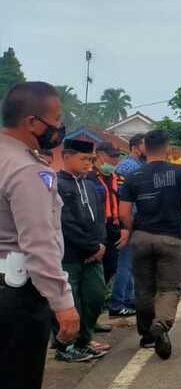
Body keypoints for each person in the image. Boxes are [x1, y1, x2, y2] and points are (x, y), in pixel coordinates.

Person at [1, 82, 78, 389]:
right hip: (17, 296)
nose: (60, 128)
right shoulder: (24, 171)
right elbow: (40, 244)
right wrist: (62, 303)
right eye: (56, 120)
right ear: (32, 123)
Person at [119, 129, 181, 360]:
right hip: (170, 238)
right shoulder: (180, 172)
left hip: (141, 237)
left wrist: (133, 230)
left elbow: (124, 212)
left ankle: (147, 336)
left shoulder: (133, 176)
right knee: (169, 288)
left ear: (145, 148)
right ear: (167, 148)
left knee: (144, 288)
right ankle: (160, 324)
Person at [55, 139, 110, 362]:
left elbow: (99, 217)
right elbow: (65, 223)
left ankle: (83, 341)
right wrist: (92, 246)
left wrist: (101, 243)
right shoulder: (56, 184)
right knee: (72, 304)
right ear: (66, 156)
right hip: (69, 255)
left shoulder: (89, 184)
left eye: (91, 159)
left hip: (94, 254)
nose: (89, 164)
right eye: (84, 159)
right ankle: (65, 346)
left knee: (96, 298)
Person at [109, 133, 146, 318]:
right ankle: (117, 302)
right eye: (144, 145)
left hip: (135, 219)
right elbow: (123, 199)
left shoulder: (138, 166)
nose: (147, 148)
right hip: (129, 220)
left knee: (131, 263)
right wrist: (128, 224)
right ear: (134, 147)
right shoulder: (128, 166)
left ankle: (128, 300)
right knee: (125, 263)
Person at [91, 142, 123, 285]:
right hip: (96, 229)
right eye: (112, 157)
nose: (115, 160)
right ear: (99, 155)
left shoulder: (119, 178)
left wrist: (125, 228)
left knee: (111, 266)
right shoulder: (88, 177)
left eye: (117, 157)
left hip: (115, 229)